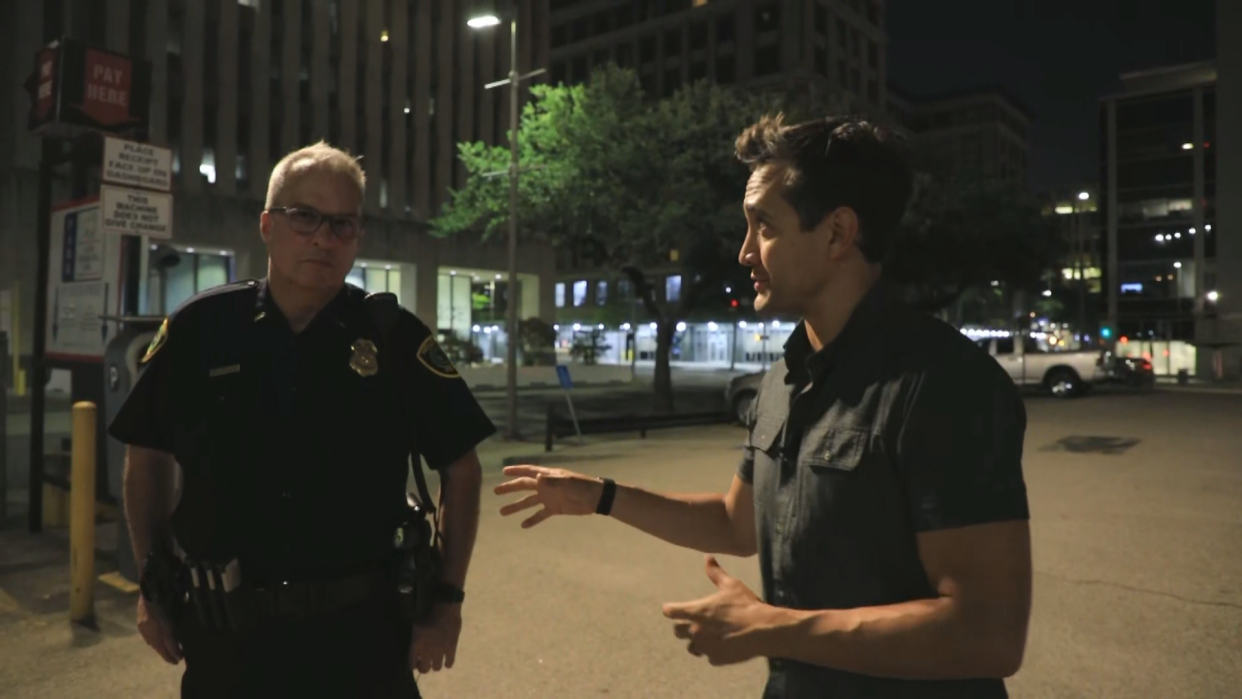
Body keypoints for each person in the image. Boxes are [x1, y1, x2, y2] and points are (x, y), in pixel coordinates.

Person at [495, 114, 1033, 698]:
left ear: (837, 234)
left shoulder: (944, 384)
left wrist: (773, 627)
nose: (745, 251)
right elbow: (735, 521)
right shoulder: (783, 378)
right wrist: (599, 496)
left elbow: (988, 633)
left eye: (764, 227)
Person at [110, 142, 495, 698]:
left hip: (363, 642)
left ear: (358, 237)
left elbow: (462, 469)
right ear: (267, 225)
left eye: (343, 223)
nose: (324, 237)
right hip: (228, 640)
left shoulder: (393, 338)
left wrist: (447, 603)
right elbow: (146, 455)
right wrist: (151, 584)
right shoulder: (202, 330)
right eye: (305, 217)